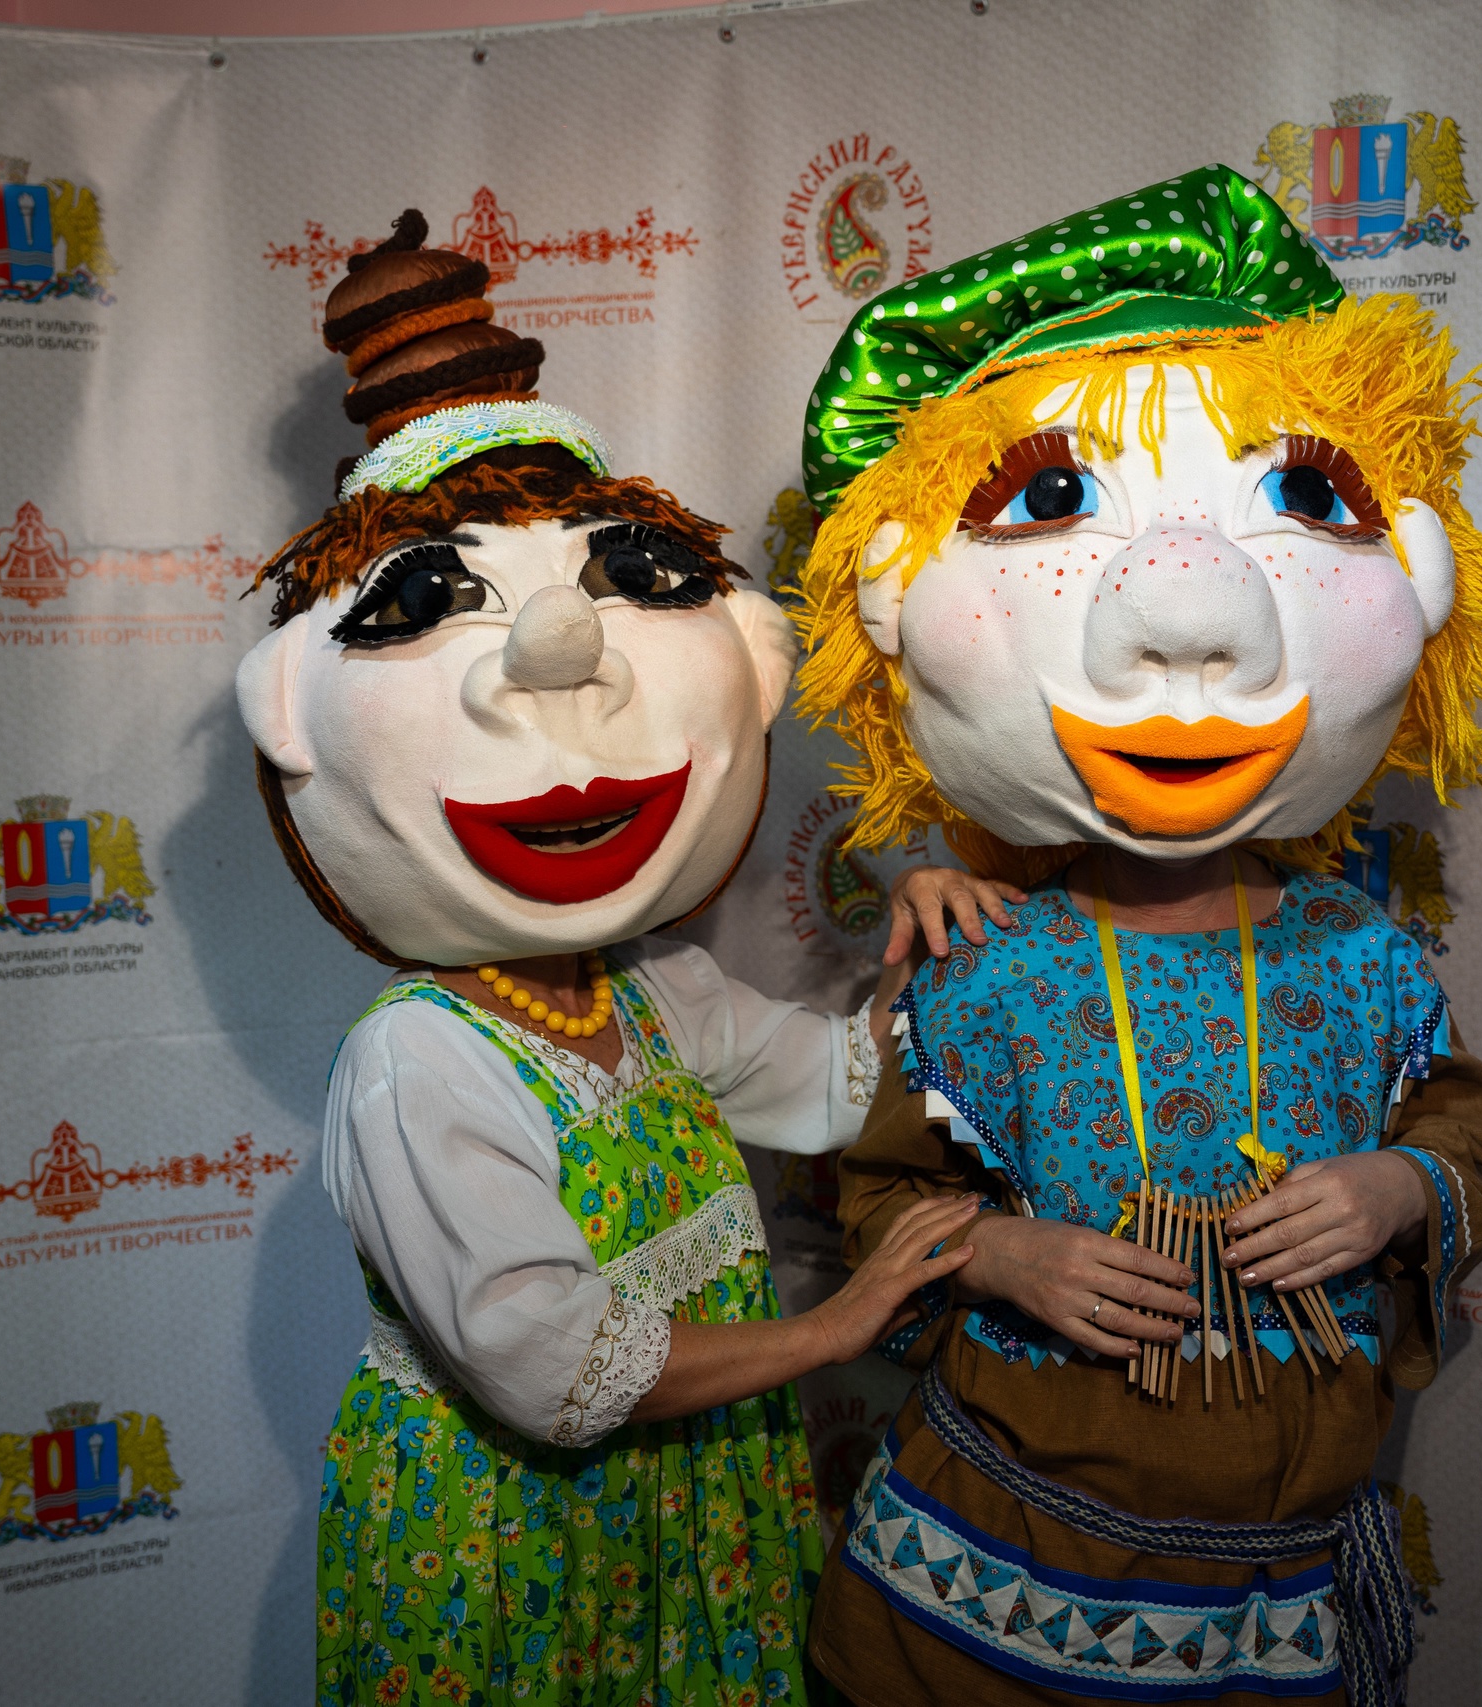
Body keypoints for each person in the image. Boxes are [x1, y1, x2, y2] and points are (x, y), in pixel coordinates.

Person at [236, 210, 1014, 1706]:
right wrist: (837, 1326)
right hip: (514, 1541)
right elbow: (553, 1365)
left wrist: (935, 929)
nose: (557, 655)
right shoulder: (419, 1058)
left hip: (687, 1508)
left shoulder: (647, 988)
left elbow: (841, 1085)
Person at [788, 167, 1482, 1705]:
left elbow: (1462, 1132)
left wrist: (1399, 1188)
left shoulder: (1360, 951)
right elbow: (877, 1198)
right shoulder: (984, 957)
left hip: (1283, 1592)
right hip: (980, 1581)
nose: (1189, 622)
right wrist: (998, 1249)